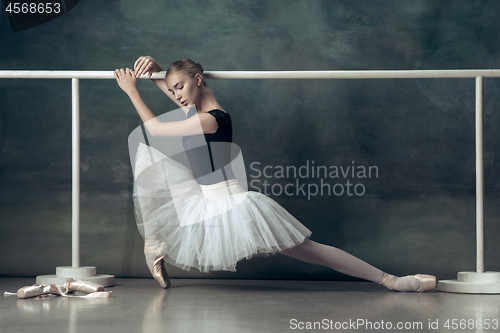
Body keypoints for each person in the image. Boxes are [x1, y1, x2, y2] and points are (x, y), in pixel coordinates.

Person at [114, 56, 436, 292]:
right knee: (150, 163)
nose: (177, 95)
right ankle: (154, 244)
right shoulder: (195, 111)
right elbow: (178, 97)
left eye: (180, 87)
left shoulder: (211, 119)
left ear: (199, 79)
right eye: (173, 90)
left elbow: (155, 128)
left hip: (231, 204)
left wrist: (131, 90)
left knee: (310, 250)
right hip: (202, 199)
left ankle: (390, 280)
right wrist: (156, 71)